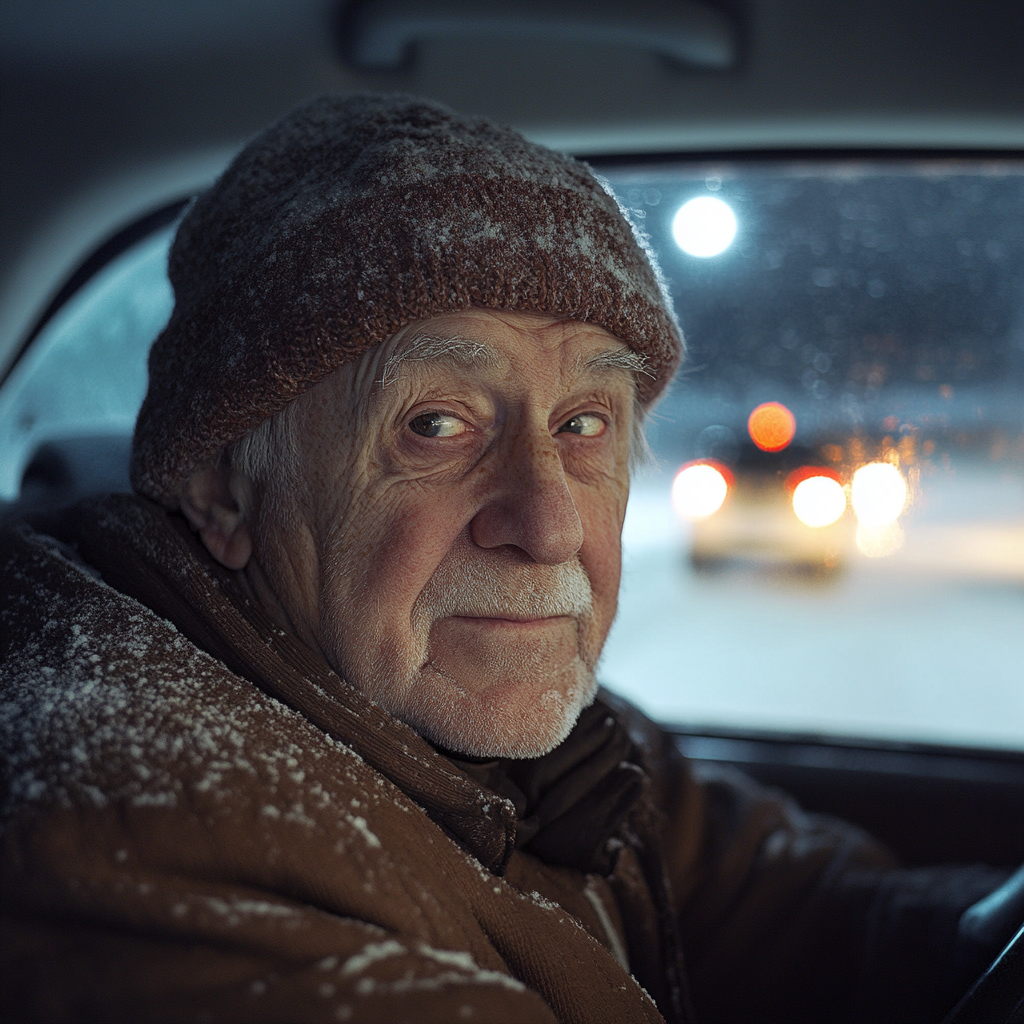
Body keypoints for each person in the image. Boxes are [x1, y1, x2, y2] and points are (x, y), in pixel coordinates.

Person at [1, 93, 1020, 1024]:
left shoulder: (536, 741)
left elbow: (791, 909)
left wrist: (972, 935)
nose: (549, 523)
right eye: (436, 424)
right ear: (226, 489)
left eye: (584, 423)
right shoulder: (154, 843)